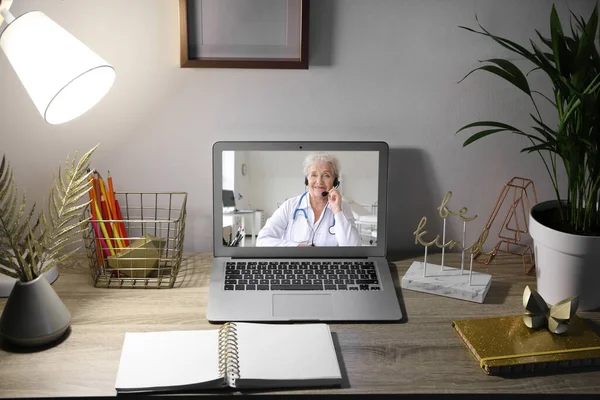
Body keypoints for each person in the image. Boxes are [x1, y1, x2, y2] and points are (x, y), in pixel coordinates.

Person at [257, 152, 360, 247]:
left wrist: (337, 212)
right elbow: (262, 240)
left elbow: (353, 248)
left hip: (328, 265)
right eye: (314, 175)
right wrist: (296, 247)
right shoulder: (290, 206)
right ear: (307, 180)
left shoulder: (342, 208)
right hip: (295, 264)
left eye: (326, 175)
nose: (319, 181)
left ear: (335, 182)